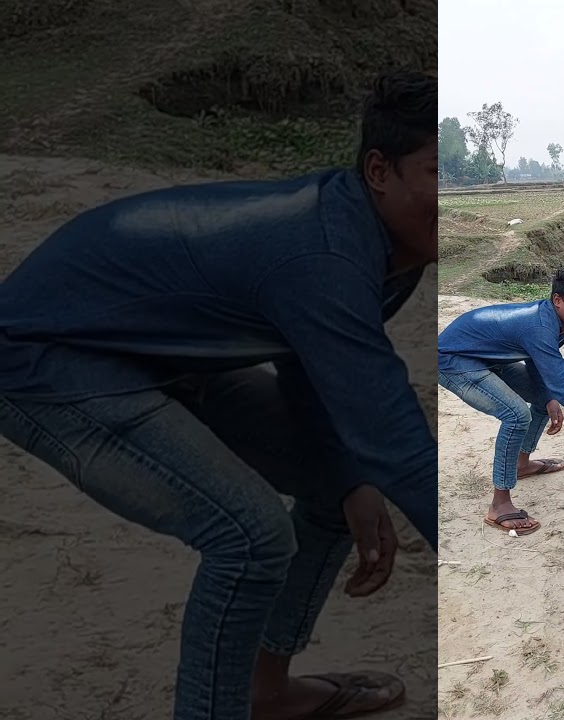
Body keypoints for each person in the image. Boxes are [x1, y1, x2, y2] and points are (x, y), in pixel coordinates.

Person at [0, 69, 438, 720]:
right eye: (441, 173)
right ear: (380, 170)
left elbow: (314, 362)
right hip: (52, 356)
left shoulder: (393, 245)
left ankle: (265, 692)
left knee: (338, 486)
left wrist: (350, 477)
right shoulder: (327, 254)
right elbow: (396, 439)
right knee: (250, 537)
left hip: (158, 348)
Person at [437, 269, 564, 535]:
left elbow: (536, 360)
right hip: (454, 361)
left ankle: (521, 464)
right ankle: (499, 505)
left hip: (490, 358)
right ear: (557, 300)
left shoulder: (560, 324)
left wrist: (547, 397)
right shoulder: (541, 326)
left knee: (546, 399)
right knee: (516, 415)